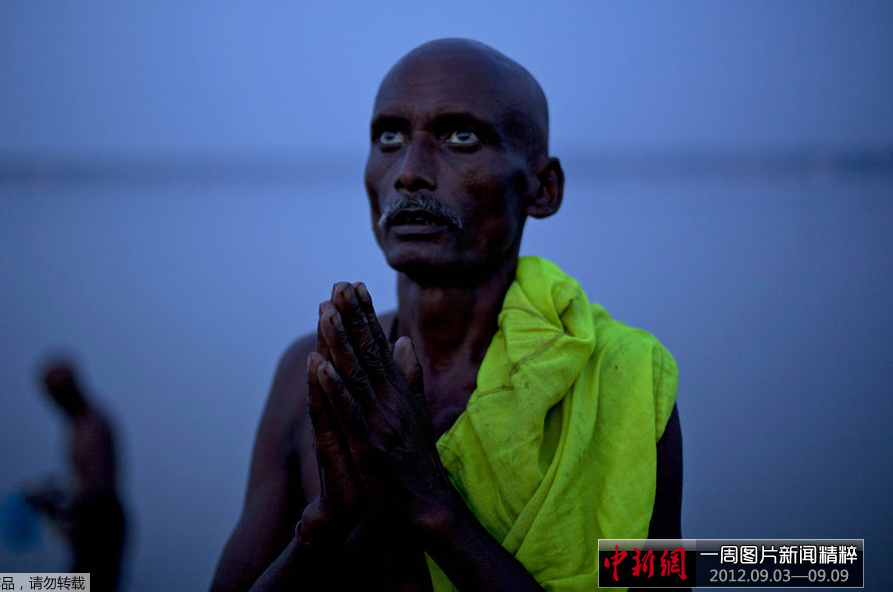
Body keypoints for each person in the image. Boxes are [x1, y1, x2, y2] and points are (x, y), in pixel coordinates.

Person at [211, 38, 682, 591]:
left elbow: (670, 582)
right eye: (389, 137)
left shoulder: (623, 379)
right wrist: (325, 524)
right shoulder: (313, 374)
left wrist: (431, 503)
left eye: (461, 137)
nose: (409, 172)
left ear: (542, 188)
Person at [25, 361, 126, 591]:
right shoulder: (79, 425)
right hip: (93, 524)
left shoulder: (92, 425)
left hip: (101, 526)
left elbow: (98, 487)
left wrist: (58, 500)